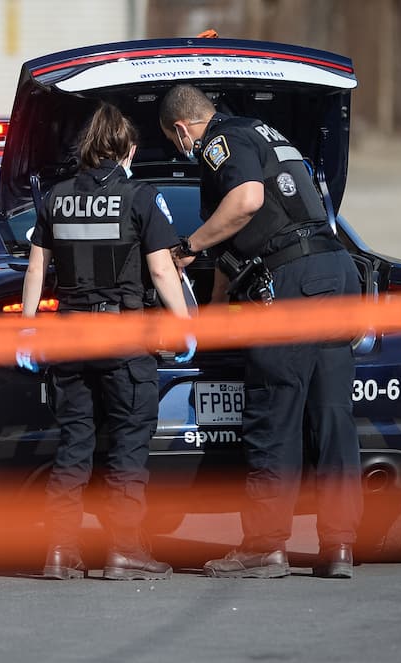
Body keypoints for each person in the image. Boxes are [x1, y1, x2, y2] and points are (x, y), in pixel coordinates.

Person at [159, 84, 363, 579]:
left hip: (290, 284)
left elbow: (246, 202)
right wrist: (214, 309)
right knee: (332, 417)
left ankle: (264, 547)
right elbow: (236, 247)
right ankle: (339, 545)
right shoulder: (267, 133)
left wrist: (187, 248)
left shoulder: (219, 142)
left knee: (275, 413)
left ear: (182, 129)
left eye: (172, 141)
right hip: (336, 272)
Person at [19, 102, 192, 581]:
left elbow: (36, 268)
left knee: (74, 445)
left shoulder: (56, 198)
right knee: (128, 448)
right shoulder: (140, 197)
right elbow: (163, 270)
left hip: (71, 337)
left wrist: (28, 327)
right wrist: (184, 325)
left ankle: (60, 551)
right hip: (123, 338)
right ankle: (124, 551)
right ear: (128, 150)